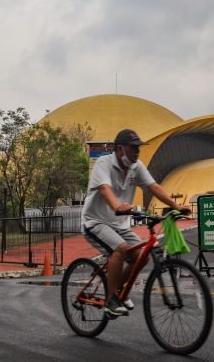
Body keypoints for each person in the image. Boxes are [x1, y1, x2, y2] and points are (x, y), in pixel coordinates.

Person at [81, 128, 191, 317]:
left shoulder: (136, 166)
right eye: (133, 148)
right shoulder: (103, 163)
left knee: (142, 256)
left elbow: (153, 186)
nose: (137, 152)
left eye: (138, 148)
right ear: (120, 148)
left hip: (120, 225)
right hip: (96, 222)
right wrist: (116, 206)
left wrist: (175, 206)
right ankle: (111, 300)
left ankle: (118, 290)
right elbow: (104, 188)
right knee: (121, 249)